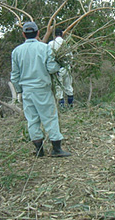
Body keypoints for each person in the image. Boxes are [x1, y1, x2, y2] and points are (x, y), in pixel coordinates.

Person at [10, 21, 71, 158]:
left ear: (23, 34)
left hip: (27, 91)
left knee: (32, 120)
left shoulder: (16, 52)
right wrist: (58, 65)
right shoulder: (45, 48)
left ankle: (39, 150)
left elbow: (14, 76)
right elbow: (51, 68)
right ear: (38, 33)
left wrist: (19, 91)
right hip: (42, 89)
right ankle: (56, 149)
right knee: (50, 117)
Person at [48, 28, 74, 108]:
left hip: (57, 69)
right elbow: (71, 57)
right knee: (68, 87)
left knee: (59, 89)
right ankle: (70, 106)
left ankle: (62, 108)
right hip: (66, 68)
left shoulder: (51, 44)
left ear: (54, 35)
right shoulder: (66, 44)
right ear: (62, 34)